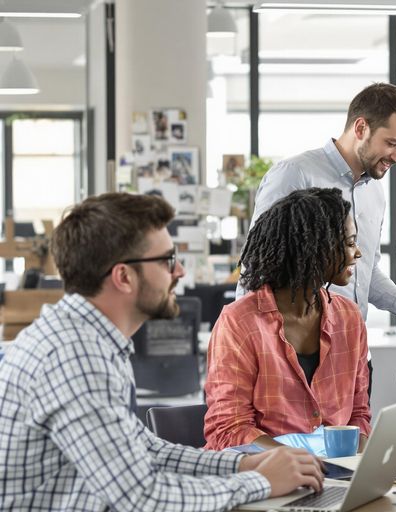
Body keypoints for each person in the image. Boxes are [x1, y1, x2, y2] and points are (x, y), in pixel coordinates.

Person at [0, 193, 324, 510]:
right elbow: (141, 497)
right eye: (168, 260)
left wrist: (244, 464)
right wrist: (262, 482)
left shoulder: (89, 340)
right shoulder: (75, 357)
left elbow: (145, 448)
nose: (180, 271)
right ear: (124, 277)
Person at [249, 82, 396, 364]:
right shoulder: (295, 174)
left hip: (352, 355)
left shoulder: (375, 193)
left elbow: (365, 272)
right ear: (360, 129)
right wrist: (254, 353)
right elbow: (257, 268)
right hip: (292, 357)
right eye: (391, 143)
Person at [205, 188, 370, 451]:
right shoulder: (240, 322)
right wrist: (301, 464)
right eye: (349, 243)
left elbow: (358, 414)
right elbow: (229, 428)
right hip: (262, 476)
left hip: (334, 476)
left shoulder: (349, 318)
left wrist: (358, 466)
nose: (357, 253)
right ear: (315, 248)